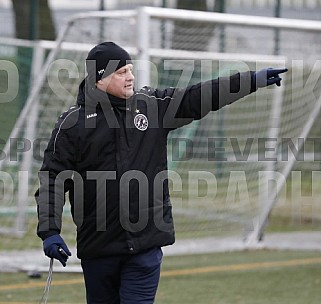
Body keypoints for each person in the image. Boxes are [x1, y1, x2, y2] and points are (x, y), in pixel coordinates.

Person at [36, 41, 287, 304]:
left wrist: (250, 81)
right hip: (98, 248)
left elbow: (197, 97)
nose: (130, 77)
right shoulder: (72, 124)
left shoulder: (152, 106)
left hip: (146, 245)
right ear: (99, 79)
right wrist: (50, 231)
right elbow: (52, 179)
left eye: (130, 69)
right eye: (121, 72)